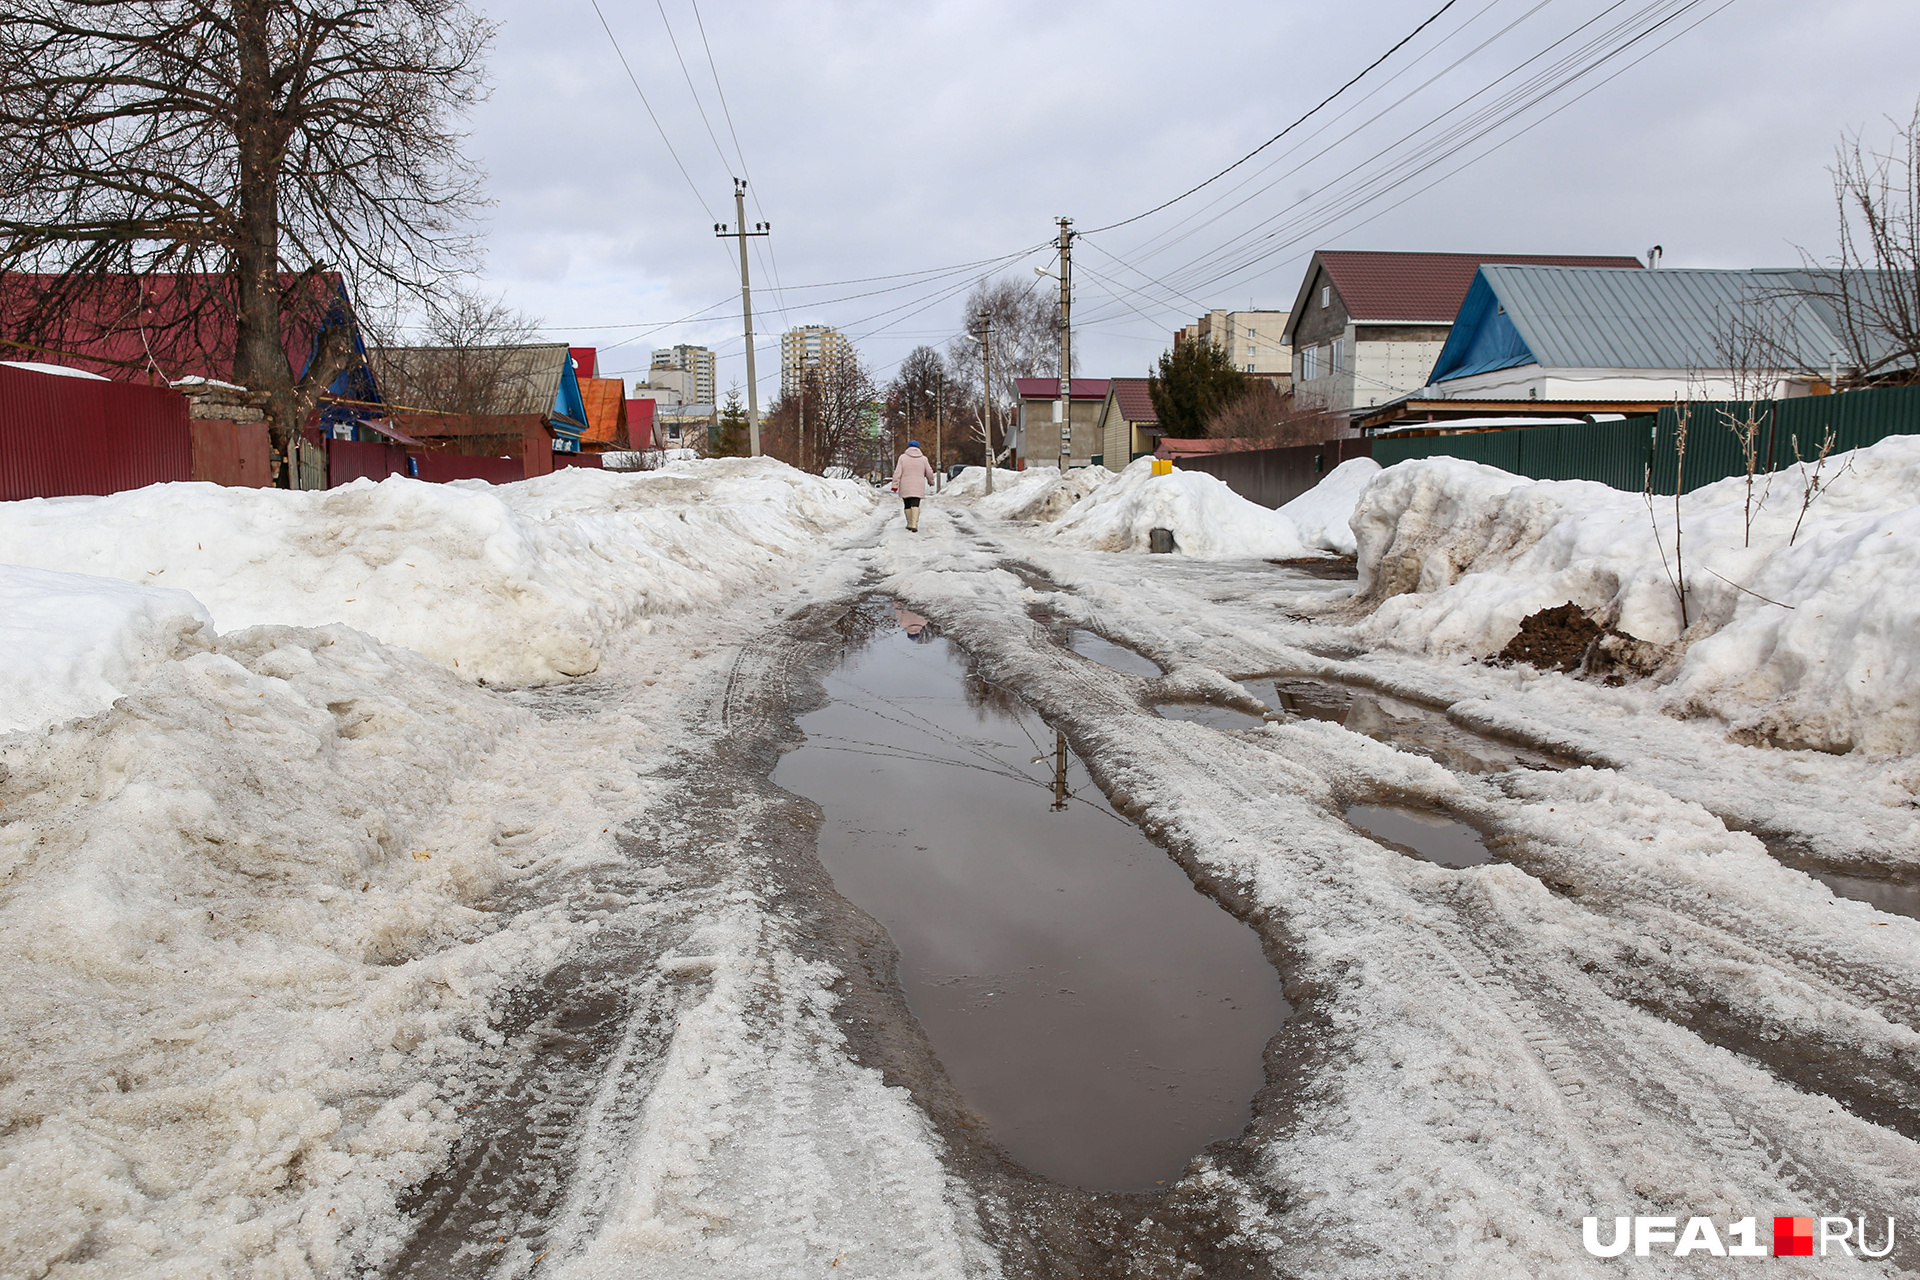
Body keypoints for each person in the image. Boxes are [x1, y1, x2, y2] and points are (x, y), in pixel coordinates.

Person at [891, 439, 936, 532]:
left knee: (907, 504)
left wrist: (895, 484)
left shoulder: (902, 458)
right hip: (918, 484)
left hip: (905, 485)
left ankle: (909, 523)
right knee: (916, 504)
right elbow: (929, 472)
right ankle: (914, 524)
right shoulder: (924, 459)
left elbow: (897, 472)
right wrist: (931, 481)